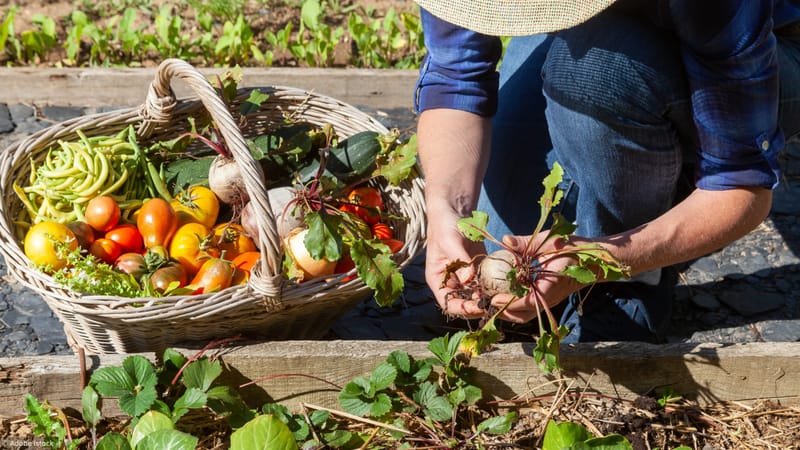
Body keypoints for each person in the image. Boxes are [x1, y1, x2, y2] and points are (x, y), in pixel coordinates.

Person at [412, 0, 800, 343]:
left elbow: (742, 185)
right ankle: (630, 167)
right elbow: (455, 77)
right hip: (581, 36)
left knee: (597, 73)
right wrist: (447, 209)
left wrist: (600, 258)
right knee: (501, 236)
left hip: (761, 47)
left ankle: (634, 277)